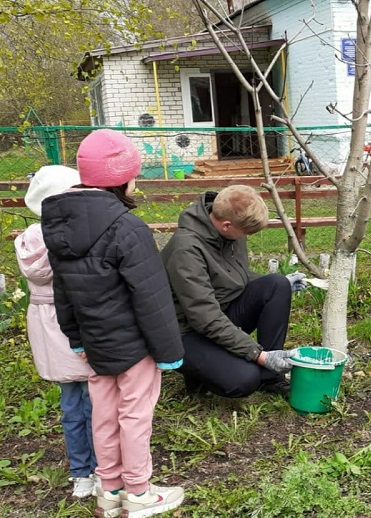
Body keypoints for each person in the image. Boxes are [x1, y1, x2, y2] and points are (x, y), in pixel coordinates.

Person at [41, 129, 185, 518]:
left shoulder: (58, 226)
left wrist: (75, 338)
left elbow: (63, 292)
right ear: (124, 179)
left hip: (94, 343)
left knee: (104, 415)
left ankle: (110, 490)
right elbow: (151, 298)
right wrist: (169, 352)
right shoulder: (128, 229)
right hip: (133, 347)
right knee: (134, 417)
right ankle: (138, 493)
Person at [160, 185, 297, 399]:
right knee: (244, 380)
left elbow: (232, 275)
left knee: (277, 285)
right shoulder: (186, 250)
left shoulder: (229, 231)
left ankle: (270, 377)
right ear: (226, 225)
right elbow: (204, 317)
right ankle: (198, 374)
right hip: (185, 332)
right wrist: (257, 354)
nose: (246, 237)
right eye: (246, 233)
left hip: (218, 313)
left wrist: (279, 283)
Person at [14, 166, 97, 499]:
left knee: (72, 404)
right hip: (75, 319)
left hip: (46, 322)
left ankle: (82, 472)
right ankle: (98, 468)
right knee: (94, 403)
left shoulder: (30, 238)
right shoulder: (69, 235)